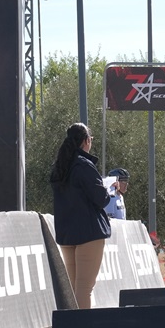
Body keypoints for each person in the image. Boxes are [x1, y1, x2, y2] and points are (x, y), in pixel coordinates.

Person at [49, 122, 111, 309]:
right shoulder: (84, 165)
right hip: (88, 233)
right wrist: (107, 190)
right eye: (90, 139)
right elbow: (101, 199)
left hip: (67, 234)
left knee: (75, 288)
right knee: (84, 288)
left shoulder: (60, 166)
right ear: (86, 140)